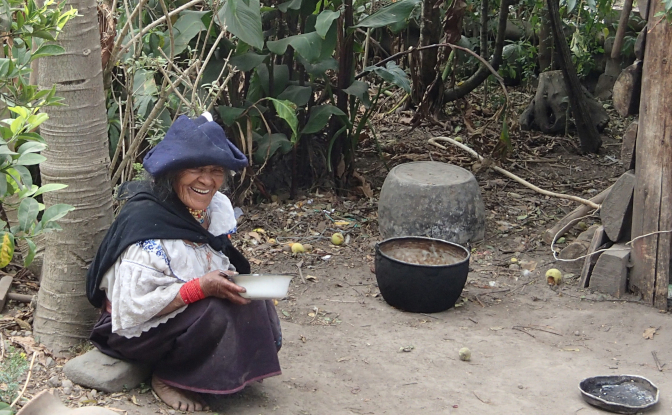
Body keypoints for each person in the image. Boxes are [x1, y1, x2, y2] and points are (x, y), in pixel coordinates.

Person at [86, 112, 282, 412]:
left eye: (216, 170)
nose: (207, 180)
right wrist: (200, 288)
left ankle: (227, 370)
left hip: (179, 316)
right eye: (195, 169)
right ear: (173, 172)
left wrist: (223, 282)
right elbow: (131, 307)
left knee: (254, 298)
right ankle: (169, 377)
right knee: (215, 311)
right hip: (130, 330)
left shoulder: (213, 209)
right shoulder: (146, 222)